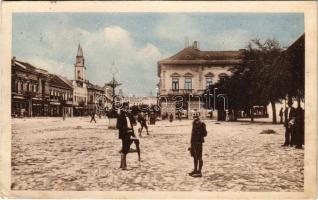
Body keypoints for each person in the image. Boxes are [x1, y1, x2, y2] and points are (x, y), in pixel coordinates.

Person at [116, 104, 137, 170]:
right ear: (123, 108)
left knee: (125, 148)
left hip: (130, 133)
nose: (127, 109)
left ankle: (121, 165)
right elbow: (118, 126)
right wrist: (126, 128)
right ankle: (124, 166)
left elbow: (134, 123)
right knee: (125, 149)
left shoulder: (129, 115)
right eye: (125, 108)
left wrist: (134, 121)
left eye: (127, 108)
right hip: (124, 134)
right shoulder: (121, 116)